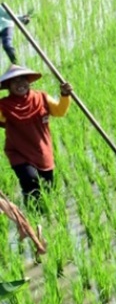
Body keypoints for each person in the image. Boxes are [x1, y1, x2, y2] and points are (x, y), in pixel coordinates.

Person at [0, 65, 71, 209]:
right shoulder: (4, 106)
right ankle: (33, 214)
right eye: (15, 82)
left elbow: (59, 111)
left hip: (42, 150)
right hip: (18, 152)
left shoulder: (41, 97)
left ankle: (47, 215)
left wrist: (65, 95)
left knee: (48, 187)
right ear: (8, 86)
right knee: (31, 181)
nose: (20, 84)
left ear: (29, 81)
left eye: (22, 80)